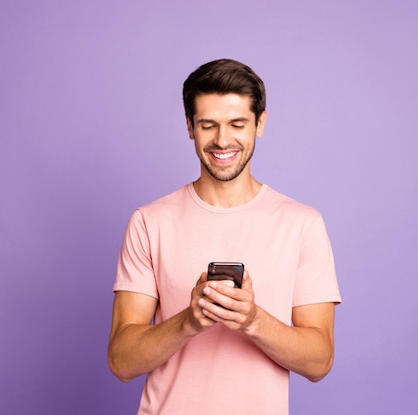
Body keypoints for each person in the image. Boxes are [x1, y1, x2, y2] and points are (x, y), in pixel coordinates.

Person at [108, 58, 341, 414]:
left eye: (237, 124)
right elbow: (121, 361)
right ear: (189, 126)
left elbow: (319, 361)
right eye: (208, 125)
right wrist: (189, 320)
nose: (222, 140)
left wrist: (252, 320)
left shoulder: (302, 224)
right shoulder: (149, 222)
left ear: (260, 123)